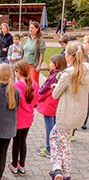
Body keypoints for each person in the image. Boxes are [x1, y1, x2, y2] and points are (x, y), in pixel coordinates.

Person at [49, 41, 89, 180]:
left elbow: (55, 95)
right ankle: (59, 169)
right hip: (79, 114)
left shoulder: (67, 74)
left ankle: (62, 172)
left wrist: (56, 85)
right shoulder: (87, 69)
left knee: (60, 142)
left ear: (70, 57)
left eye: (66, 53)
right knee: (59, 139)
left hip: (66, 115)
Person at [9, 60, 38, 176]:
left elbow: (12, 104)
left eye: (15, 71)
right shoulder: (34, 84)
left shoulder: (16, 86)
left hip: (18, 119)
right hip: (28, 118)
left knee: (16, 142)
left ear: (19, 72)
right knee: (23, 142)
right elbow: (35, 102)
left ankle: (14, 165)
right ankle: (22, 165)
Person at [36, 55, 67, 158]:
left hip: (49, 105)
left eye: (51, 63)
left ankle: (49, 149)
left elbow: (43, 90)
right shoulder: (60, 75)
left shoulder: (54, 77)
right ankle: (54, 147)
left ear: (57, 65)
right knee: (54, 126)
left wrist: (38, 95)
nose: (49, 64)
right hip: (55, 105)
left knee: (49, 127)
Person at [21, 21, 46, 85]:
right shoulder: (26, 39)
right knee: (25, 82)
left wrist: (39, 65)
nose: (30, 29)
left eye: (32, 28)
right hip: (25, 64)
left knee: (34, 82)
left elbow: (41, 54)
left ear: (37, 29)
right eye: (29, 28)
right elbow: (22, 51)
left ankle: (36, 95)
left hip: (33, 65)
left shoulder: (40, 40)